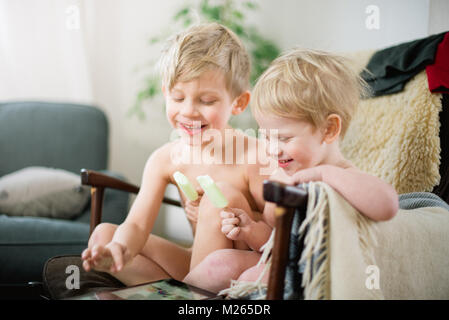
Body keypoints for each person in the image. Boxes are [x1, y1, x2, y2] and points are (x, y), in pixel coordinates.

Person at [184, 48, 399, 293]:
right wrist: (250, 230)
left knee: (253, 276)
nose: (273, 150)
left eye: (284, 138)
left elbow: (388, 205)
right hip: (276, 262)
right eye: (266, 137)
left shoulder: (341, 175)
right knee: (217, 264)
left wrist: (323, 175)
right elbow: (274, 242)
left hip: (315, 275)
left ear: (329, 129)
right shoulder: (280, 176)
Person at [81, 22, 271, 286]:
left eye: (207, 101)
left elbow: (279, 230)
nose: (189, 111)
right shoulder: (165, 159)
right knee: (104, 235)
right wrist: (119, 249)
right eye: (178, 98)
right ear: (165, 94)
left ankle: (190, 293)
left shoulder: (254, 155)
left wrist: (233, 215)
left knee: (223, 194)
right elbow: (136, 225)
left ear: (238, 103)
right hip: (197, 263)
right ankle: (185, 294)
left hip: (237, 266)